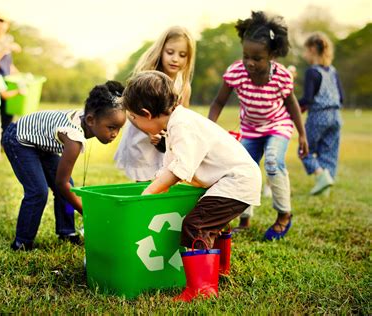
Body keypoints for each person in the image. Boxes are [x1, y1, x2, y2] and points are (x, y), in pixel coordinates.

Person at [122, 70, 261, 300]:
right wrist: (158, 183)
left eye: (134, 119)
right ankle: (218, 272)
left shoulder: (183, 126)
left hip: (236, 181)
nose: (135, 124)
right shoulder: (178, 122)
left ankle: (202, 289)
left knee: (196, 225)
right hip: (234, 180)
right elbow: (171, 166)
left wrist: (148, 193)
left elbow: (179, 170)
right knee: (212, 222)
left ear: (146, 114)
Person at [208, 11, 309, 240]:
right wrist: (208, 130)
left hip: (277, 125)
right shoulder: (236, 72)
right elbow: (218, 102)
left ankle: (284, 215)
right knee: (243, 169)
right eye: (246, 56)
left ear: (272, 55)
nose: (250, 63)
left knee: (273, 161)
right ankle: (245, 218)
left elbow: (292, 106)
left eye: (257, 58)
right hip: (251, 129)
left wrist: (302, 134)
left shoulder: (281, 76)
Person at [2, 81, 126, 251]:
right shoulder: (74, 138)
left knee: (69, 188)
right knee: (38, 192)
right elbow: (61, 183)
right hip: (18, 139)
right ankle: (22, 243)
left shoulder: (89, 117)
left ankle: (66, 231)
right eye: (111, 127)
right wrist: (86, 211)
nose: (115, 134)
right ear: (90, 120)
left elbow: (65, 184)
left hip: (40, 143)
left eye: (119, 128)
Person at [114, 26, 196, 181]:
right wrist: (149, 132)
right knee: (144, 179)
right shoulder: (146, 78)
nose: (175, 59)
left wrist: (166, 136)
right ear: (161, 51)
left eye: (182, 55)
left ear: (188, 58)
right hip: (141, 138)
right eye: (170, 52)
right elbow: (130, 111)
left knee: (163, 177)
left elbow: (182, 119)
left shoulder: (183, 86)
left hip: (165, 142)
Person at [299, 32, 344, 195]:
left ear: (312, 49)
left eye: (305, 50)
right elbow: (342, 97)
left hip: (318, 116)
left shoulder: (312, 72)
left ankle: (321, 176)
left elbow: (308, 99)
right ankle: (325, 188)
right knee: (329, 152)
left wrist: (291, 105)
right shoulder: (333, 71)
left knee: (305, 150)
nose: (304, 54)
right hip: (336, 117)